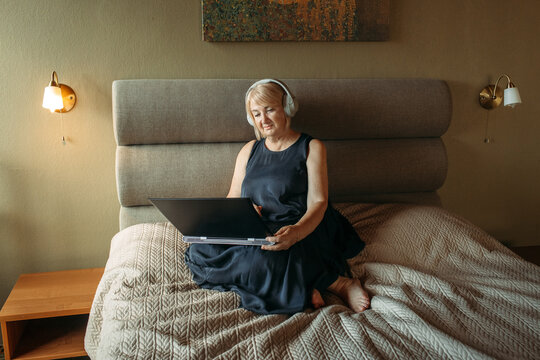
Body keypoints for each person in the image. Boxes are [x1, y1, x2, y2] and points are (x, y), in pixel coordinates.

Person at [185, 79, 370, 315]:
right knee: (200, 249)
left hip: (299, 223)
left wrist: (297, 232)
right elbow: (233, 196)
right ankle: (302, 284)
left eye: (270, 109)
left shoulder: (311, 147)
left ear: (287, 108)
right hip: (258, 225)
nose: (264, 119)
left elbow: (319, 202)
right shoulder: (249, 150)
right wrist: (238, 215)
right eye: (256, 113)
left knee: (268, 254)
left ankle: (340, 283)